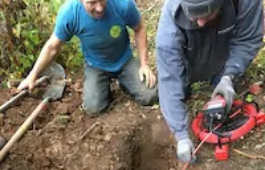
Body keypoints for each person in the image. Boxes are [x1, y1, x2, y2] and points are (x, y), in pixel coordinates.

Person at [156, 0, 263, 164]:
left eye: (207, 13)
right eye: (194, 15)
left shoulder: (245, 2)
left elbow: (247, 39)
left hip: (223, 52)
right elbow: (169, 80)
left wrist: (229, 75)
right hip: (189, 60)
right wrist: (181, 136)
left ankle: (222, 74)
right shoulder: (170, 22)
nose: (200, 21)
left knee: (229, 85)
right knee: (179, 90)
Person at [17, 0, 158, 117]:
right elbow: (52, 47)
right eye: (92, 2)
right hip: (96, 65)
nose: (99, 7)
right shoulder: (70, 13)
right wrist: (33, 76)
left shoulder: (123, 4)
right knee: (93, 109)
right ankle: (103, 86)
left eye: (102, 0)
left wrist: (144, 64)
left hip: (124, 60)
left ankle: (125, 80)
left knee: (150, 95)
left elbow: (139, 28)